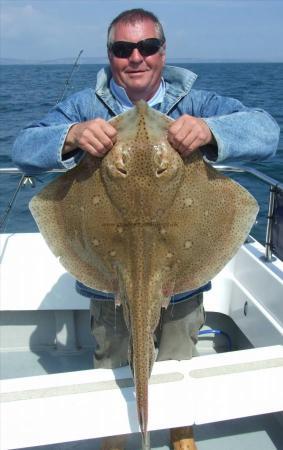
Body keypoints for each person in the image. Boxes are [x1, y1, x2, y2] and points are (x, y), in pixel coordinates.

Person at [12, 8, 279, 450]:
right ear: (110, 55)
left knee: (177, 360)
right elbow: (23, 147)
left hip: (183, 272)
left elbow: (266, 132)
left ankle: (179, 430)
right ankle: (118, 434)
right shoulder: (84, 106)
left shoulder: (196, 102)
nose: (136, 57)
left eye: (147, 47)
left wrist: (211, 130)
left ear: (162, 51)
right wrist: (72, 135)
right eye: (122, 49)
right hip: (109, 277)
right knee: (114, 363)